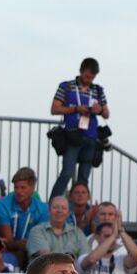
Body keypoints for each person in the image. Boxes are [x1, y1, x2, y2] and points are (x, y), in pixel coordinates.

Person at [49, 58, 110, 199]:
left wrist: (99, 110)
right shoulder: (66, 86)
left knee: (84, 177)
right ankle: (53, 203)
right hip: (73, 135)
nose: (89, 80)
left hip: (91, 136)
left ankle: (80, 208)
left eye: (93, 77)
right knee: (67, 173)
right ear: (81, 71)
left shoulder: (98, 90)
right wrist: (76, 109)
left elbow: (107, 113)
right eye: (87, 76)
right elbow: (54, 109)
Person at [0, 166, 51, 260]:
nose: (18, 191)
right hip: (8, 249)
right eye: (16, 187)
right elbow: (8, 241)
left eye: (23, 188)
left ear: (33, 187)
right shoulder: (3, 205)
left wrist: (27, 244)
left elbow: (41, 238)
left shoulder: (43, 208)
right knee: (19, 254)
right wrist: (18, 244)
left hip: (34, 249)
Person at [79, 203, 137, 274]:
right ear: (95, 216)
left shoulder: (126, 242)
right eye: (102, 214)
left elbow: (136, 256)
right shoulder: (86, 241)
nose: (106, 218)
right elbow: (90, 260)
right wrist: (114, 235)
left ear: (116, 217)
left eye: (110, 214)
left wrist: (120, 229)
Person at [26, 196, 86, 261]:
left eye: (64, 208)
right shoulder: (37, 231)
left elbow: (84, 260)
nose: (59, 211)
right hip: (46, 271)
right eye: (55, 207)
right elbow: (47, 257)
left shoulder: (78, 233)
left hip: (70, 270)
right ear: (48, 210)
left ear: (68, 213)